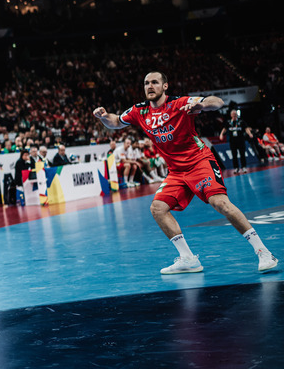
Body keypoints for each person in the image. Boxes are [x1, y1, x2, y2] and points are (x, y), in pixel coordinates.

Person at [93, 71, 278, 274]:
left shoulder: (179, 103)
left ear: (165, 86)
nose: (150, 86)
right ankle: (188, 259)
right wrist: (103, 117)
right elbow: (115, 121)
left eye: (155, 82)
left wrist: (202, 105)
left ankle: (263, 252)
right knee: (157, 208)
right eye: (146, 83)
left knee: (220, 203)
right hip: (176, 171)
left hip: (199, 161)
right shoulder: (139, 110)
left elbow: (216, 102)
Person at [220, 109, 247, 174]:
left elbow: (246, 128)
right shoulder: (228, 122)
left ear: (237, 115)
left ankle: (243, 167)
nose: (234, 115)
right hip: (233, 141)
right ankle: (236, 168)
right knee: (234, 155)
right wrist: (221, 134)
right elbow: (224, 129)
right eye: (233, 114)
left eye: (235, 114)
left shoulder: (241, 121)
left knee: (242, 154)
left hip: (241, 140)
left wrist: (249, 133)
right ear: (231, 115)